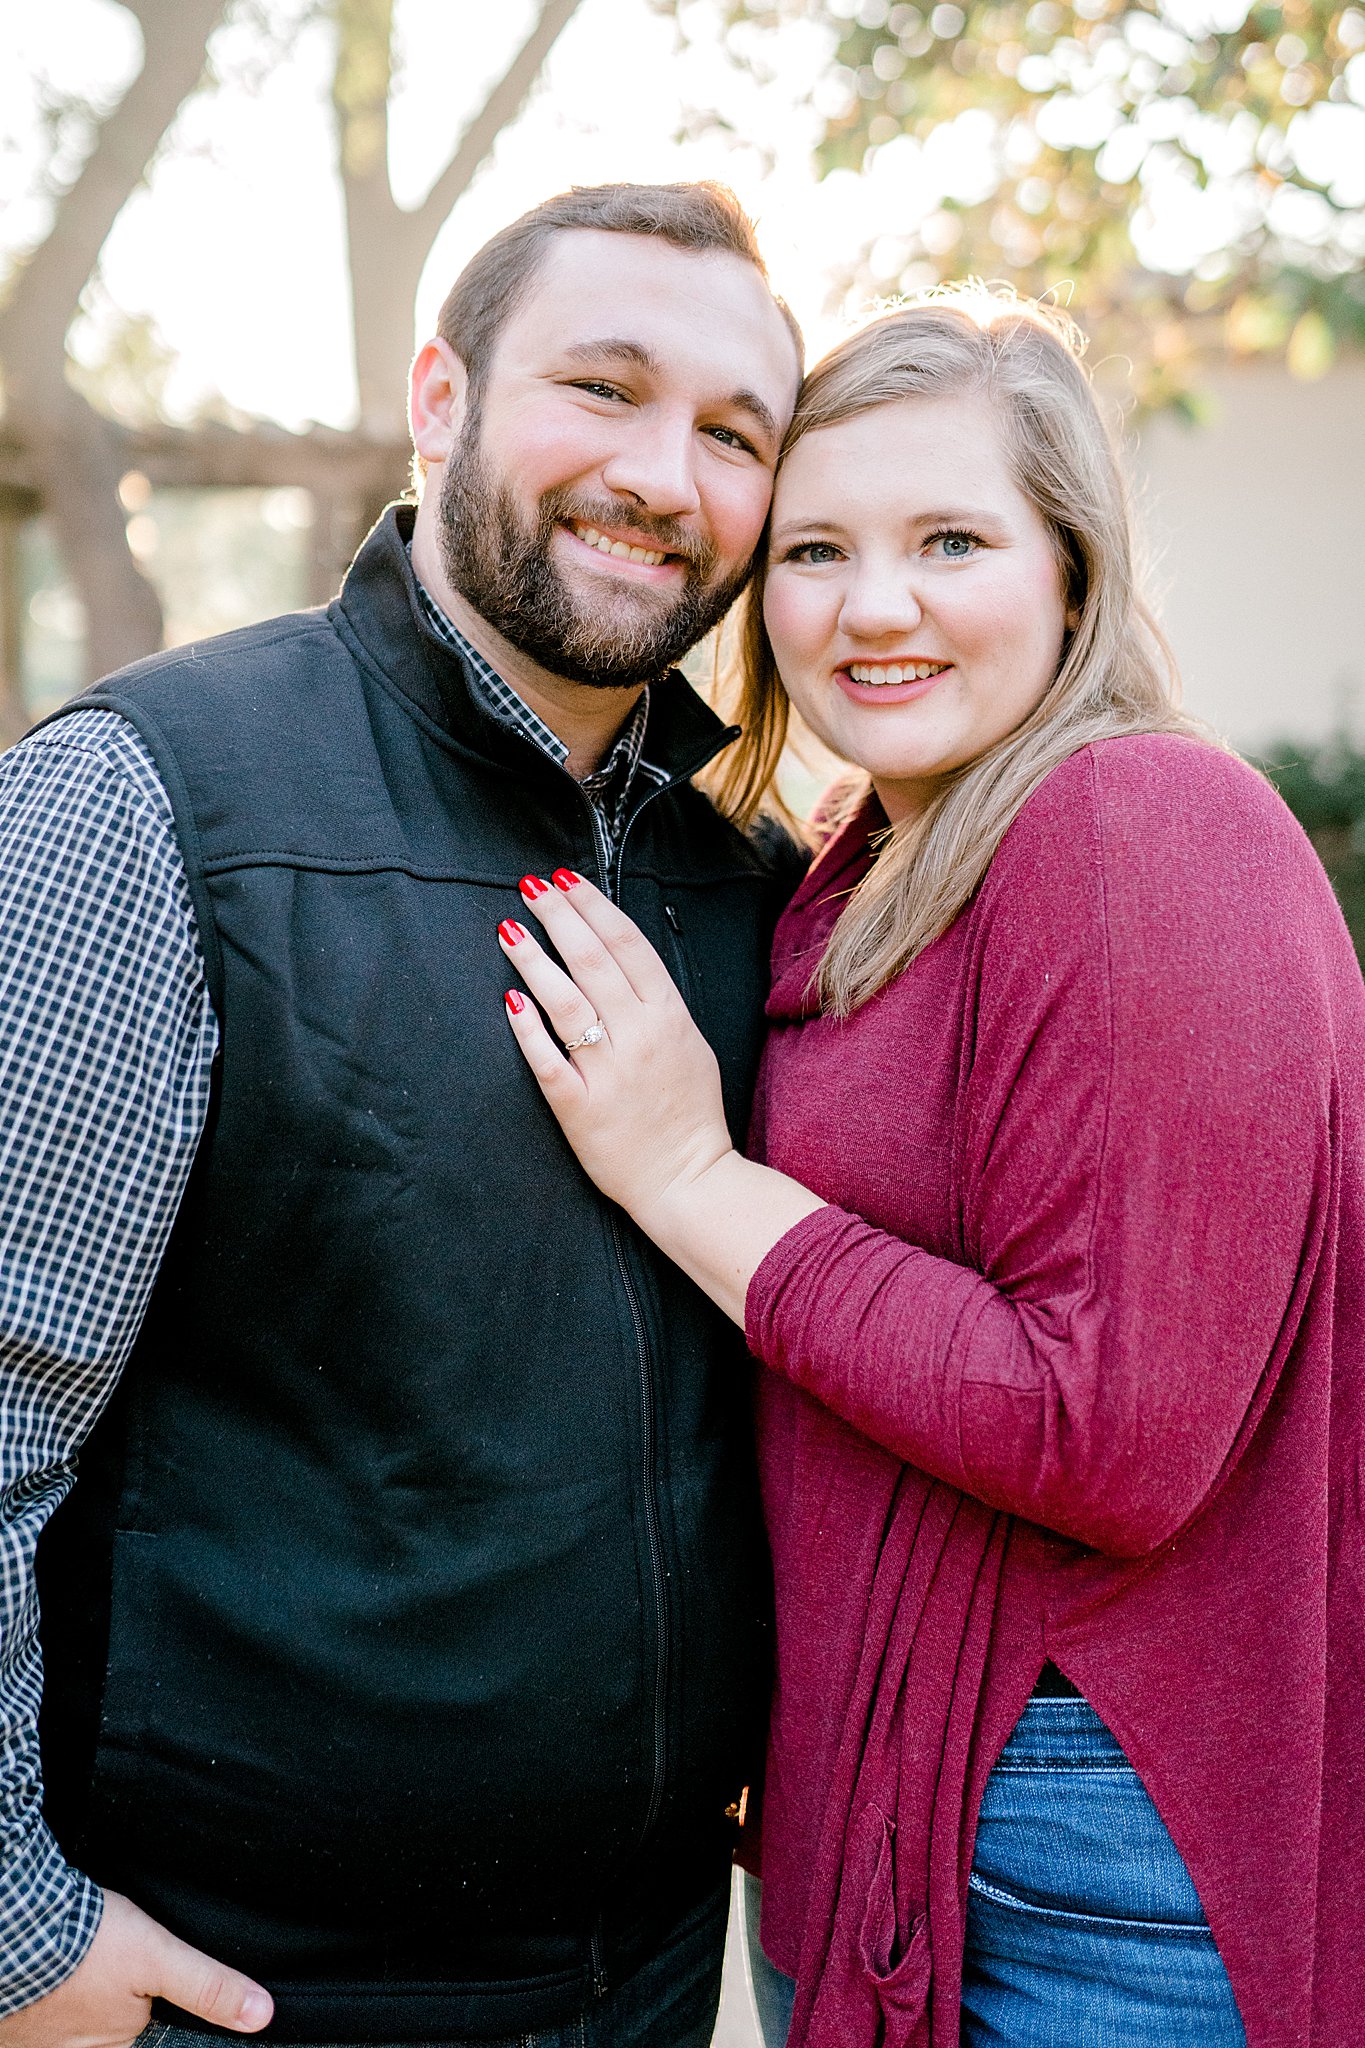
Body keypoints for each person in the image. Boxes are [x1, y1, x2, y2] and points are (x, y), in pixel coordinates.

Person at [495, 287, 1365, 2047]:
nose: (869, 608)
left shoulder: (1138, 830)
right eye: (814, 549)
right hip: (883, 1790)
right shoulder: (866, 863)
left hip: (1082, 1835)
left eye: (947, 539)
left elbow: (1107, 1431)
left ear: (1069, 567)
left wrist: (687, 1174)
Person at [0, 181, 805, 2048]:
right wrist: (18, 1934)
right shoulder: (148, 802)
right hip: (239, 1992)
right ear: (438, 397)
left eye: (731, 433)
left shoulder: (752, 882)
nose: (661, 476)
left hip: (654, 1970)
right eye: (599, 388)